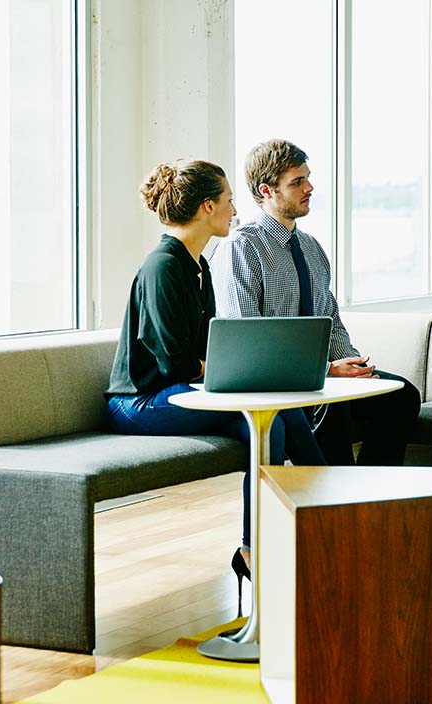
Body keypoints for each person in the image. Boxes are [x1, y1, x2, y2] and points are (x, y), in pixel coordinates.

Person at [105, 159, 325, 608]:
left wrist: (236, 369)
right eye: (228, 202)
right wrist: (232, 372)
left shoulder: (197, 264)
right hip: (141, 403)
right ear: (207, 207)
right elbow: (175, 362)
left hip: (180, 392)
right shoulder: (163, 268)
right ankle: (255, 548)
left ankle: (325, 526)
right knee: (265, 424)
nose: (234, 211)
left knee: (287, 416)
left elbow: (210, 348)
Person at [210, 138, 421, 466]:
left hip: (320, 378)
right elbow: (250, 345)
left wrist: (353, 367)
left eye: (307, 177)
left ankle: (368, 493)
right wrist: (326, 372)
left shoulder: (311, 248)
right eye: (297, 182)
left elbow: (330, 321)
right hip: (274, 386)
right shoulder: (240, 249)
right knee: (332, 400)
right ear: (267, 191)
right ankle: (333, 500)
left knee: (401, 396)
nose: (309, 187)